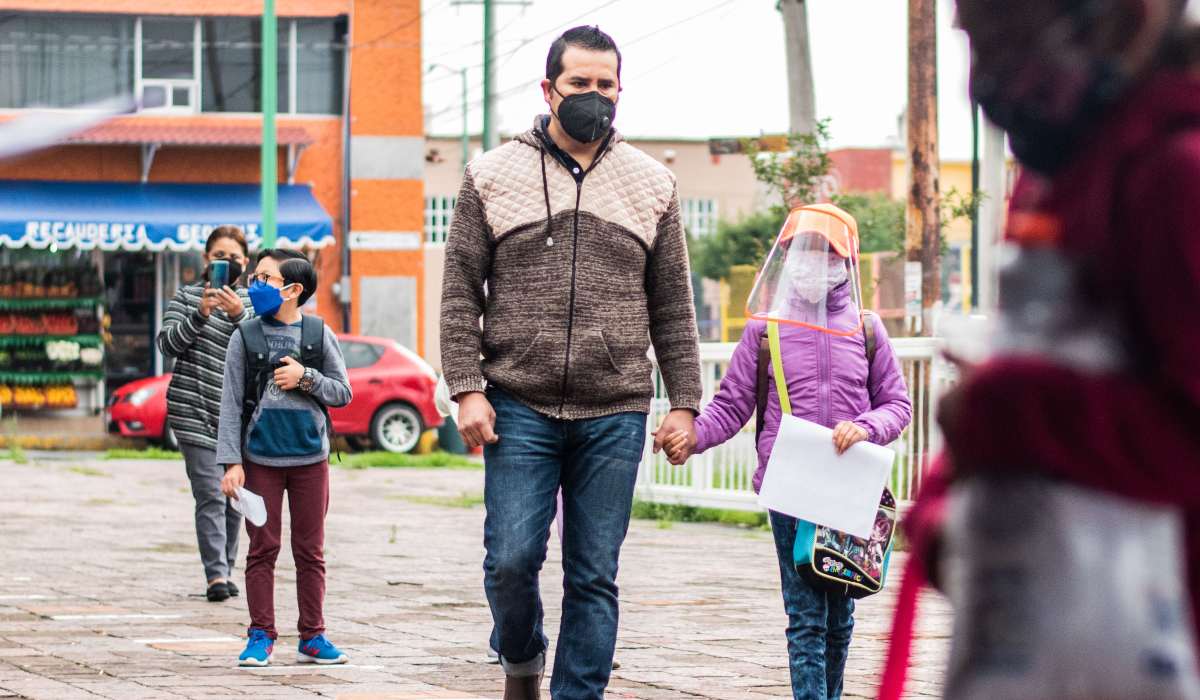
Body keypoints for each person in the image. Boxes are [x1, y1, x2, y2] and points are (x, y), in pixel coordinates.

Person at [880, 0, 1200, 697]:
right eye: (974, 41)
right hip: (1048, 632)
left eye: (1010, 41)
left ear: (1120, 19)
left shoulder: (1178, 174)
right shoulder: (1054, 175)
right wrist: (947, 514)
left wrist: (1009, 411)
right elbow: (1022, 361)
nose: (984, 81)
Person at [439, 25, 702, 699]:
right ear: (549, 89)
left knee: (593, 574)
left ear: (620, 90)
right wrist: (467, 388)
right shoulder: (490, 175)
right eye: (579, 83)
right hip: (517, 402)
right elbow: (460, 290)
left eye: (605, 84)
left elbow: (674, 305)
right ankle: (521, 658)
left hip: (615, 406)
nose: (593, 95)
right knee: (510, 560)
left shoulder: (653, 183)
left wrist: (684, 403)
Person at [662, 204, 911, 700]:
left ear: (846, 262)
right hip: (790, 488)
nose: (813, 262)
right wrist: (693, 437)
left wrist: (865, 428)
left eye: (826, 253)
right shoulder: (765, 330)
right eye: (803, 251)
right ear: (787, 257)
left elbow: (897, 405)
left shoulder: (865, 329)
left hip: (849, 489)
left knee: (841, 616)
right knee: (805, 616)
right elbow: (731, 405)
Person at [216, 249, 353, 667]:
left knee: (310, 550)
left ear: (293, 290)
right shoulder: (244, 336)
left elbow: (343, 392)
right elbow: (230, 403)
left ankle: (313, 636)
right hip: (260, 460)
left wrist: (305, 377)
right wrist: (231, 462)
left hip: (311, 460)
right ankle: (260, 635)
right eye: (254, 277)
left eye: (265, 278)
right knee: (263, 548)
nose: (254, 285)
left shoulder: (318, 333)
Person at [156, 225, 253, 603]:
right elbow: (167, 346)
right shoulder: (186, 297)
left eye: (234, 258)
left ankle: (226, 567)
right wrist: (199, 314)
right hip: (192, 409)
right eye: (219, 257)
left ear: (245, 262)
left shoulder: (252, 305)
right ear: (205, 260)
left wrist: (238, 315)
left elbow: (263, 352)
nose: (226, 264)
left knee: (234, 496)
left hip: (237, 417)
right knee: (211, 494)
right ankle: (216, 576)